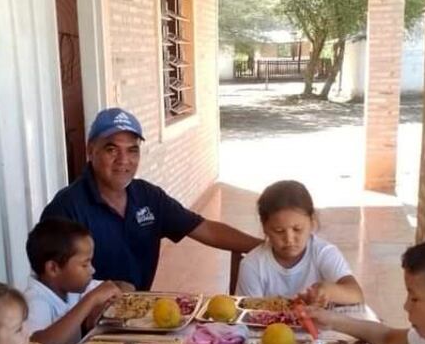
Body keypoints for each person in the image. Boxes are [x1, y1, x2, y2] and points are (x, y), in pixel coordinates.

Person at [40, 107, 261, 290]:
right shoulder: (66, 208)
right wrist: (101, 290)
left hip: (138, 317)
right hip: (86, 330)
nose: (123, 160)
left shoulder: (148, 197)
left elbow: (206, 229)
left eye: (132, 150)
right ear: (91, 151)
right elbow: (50, 280)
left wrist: (267, 247)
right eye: (111, 149)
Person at [236, 180, 363, 303]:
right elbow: (248, 314)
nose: (289, 239)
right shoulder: (252, 265)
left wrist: (329, 291)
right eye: (279, 231)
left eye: (297, 229)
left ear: (312, 222)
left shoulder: (323, 253)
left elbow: (356, 295)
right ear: (265, 228)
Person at [23, 218, 127, 344]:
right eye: (85, 265)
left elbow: (120, 287)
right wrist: (90, 301)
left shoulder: (70, 287)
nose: (92, 270)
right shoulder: (33, 301)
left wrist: (102, 304)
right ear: (53, 268)